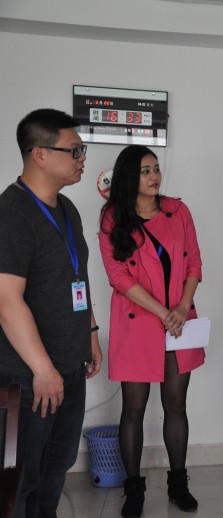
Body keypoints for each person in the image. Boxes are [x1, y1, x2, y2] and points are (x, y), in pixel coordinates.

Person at [0, 108, 102, 517]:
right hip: (28, 376)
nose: (82, 157)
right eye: (74, 150)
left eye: (82, 149)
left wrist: (90, 333)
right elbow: (7, 300)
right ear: (39, 154)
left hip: (68, 366)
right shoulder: (12, 213)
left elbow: (77, 277)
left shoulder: (67, 208)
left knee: (55, 468)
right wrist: (43, 370)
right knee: (20, 479)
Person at [99, 145, 204, 517]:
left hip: (179, 321)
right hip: (138, 323)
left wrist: (182, 307)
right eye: (145, 170)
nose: (155, 176)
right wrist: (163, 313)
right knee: (134, 409)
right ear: (130, 175)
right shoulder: (113, 217)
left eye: (156, 168)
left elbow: (194, 261)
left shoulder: (178, 210)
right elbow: (118, 276)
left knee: (176, 404)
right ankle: (134, 490)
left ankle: (178, 484)